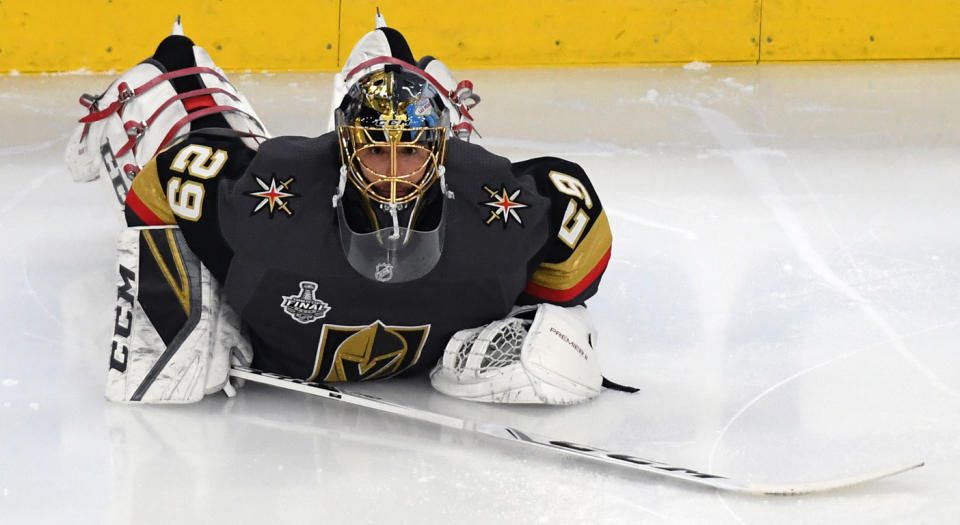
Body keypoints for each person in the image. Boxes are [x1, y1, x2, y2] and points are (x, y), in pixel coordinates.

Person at [66, 18, 615, 406]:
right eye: (377, 149)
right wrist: (183, 288)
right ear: (345, 148)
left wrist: (538, 313)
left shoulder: (498, 209)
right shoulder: (267, 203)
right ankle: (163, 76)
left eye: (413, 151)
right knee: (196, 113)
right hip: (290, 184)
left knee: (434, 135)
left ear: (439, 152)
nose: (395, 172)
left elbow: (577, 221)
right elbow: (165, 177)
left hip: (457, 172)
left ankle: (396, 61)